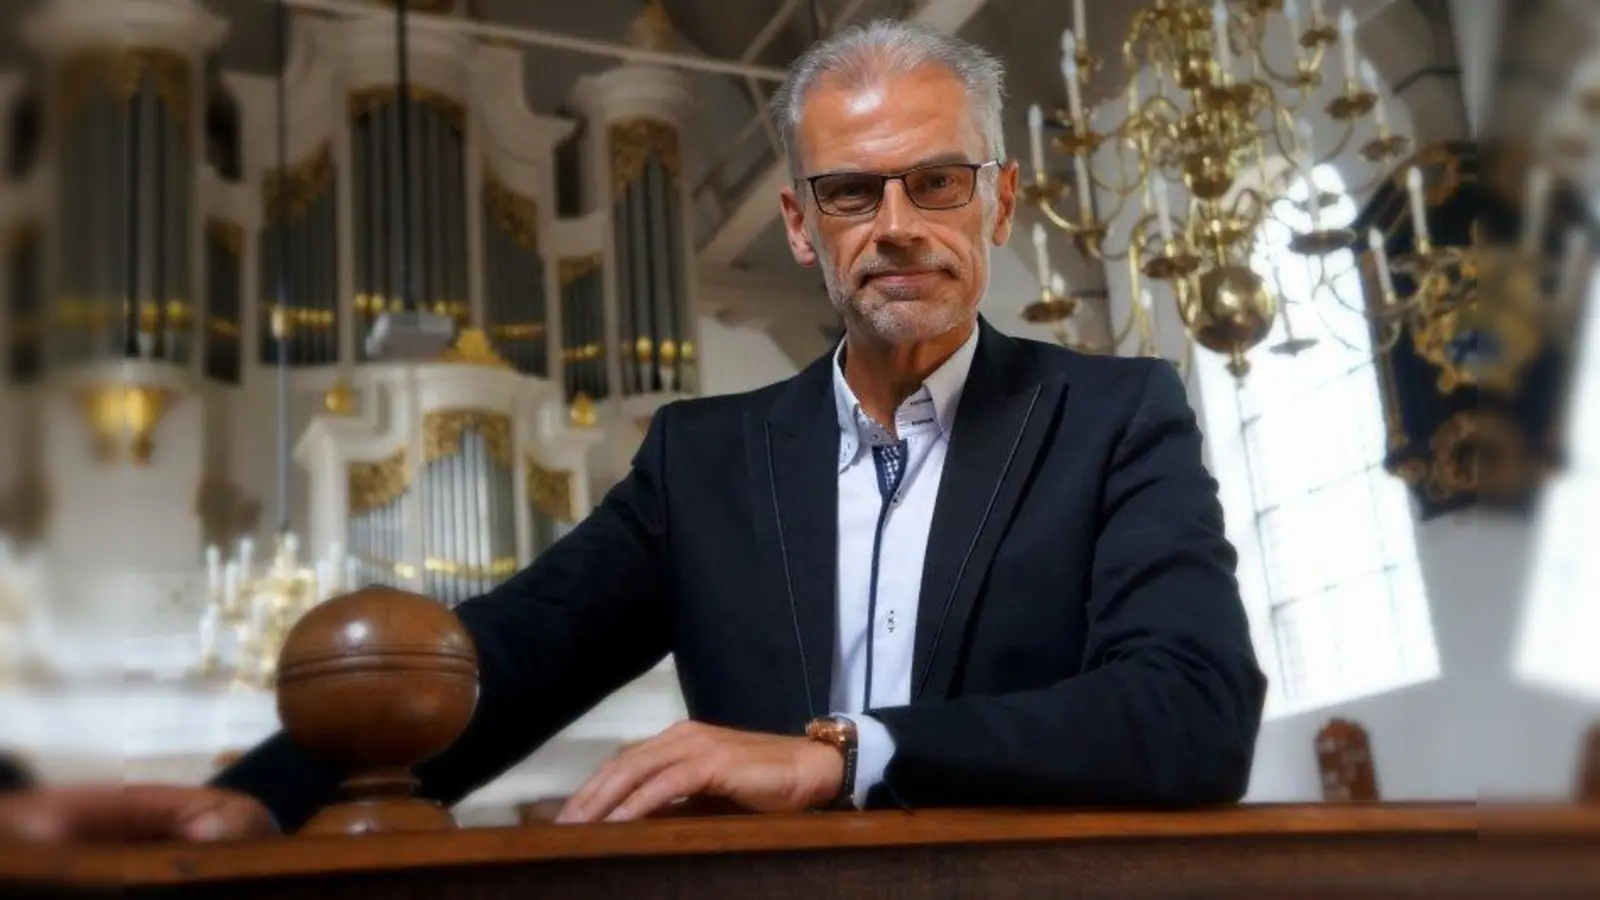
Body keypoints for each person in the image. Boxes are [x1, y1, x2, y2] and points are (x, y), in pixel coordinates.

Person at [0, 19, 1265, 842]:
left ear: (999, 198)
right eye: (849, 191)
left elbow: (1193, 712)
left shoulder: (1114, 417)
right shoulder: (702, 458)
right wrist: (254, 802)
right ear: (795, 225)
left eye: (936, 181)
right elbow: (504, 658)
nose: (895, 223)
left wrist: (840, 756)